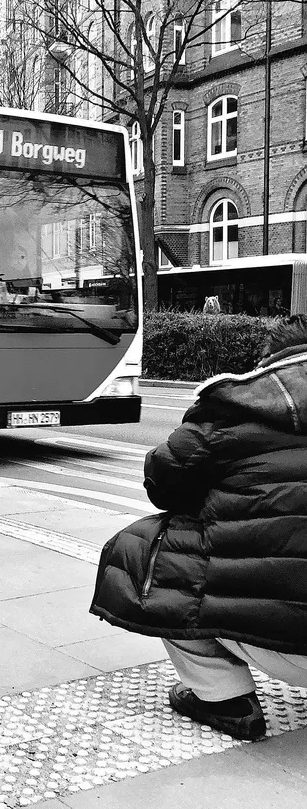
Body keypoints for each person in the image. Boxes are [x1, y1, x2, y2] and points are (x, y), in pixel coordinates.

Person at [91, 314, 307, 741]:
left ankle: (225, 699)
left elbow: (162, 482)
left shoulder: (229, 414)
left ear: (267, 364)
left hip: (286, 647)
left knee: (146, 550)